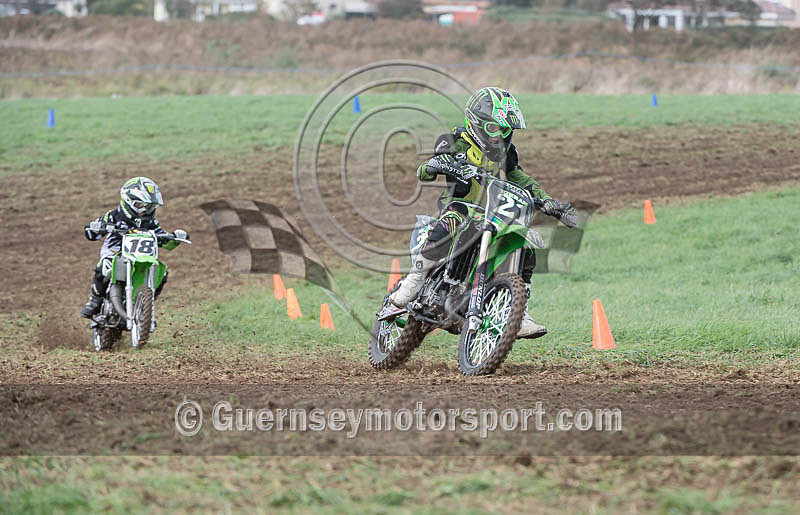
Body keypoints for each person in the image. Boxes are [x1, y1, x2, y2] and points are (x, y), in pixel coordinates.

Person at [389, 87, 576, 339]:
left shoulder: (507, 154)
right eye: (493, 128)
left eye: (505, 130)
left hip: (493, 211)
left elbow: (518, 177)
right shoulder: (455, 140)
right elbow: (426, 169)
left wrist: (547, 201)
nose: (499, 136)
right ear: (477, 122)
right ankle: (416, 278)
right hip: (460, 205)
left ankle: (518, 315)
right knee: (451, 221)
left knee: (525, 248)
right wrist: (441, 163)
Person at [79, 177, 188, 318]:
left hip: (141, 256)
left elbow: (162, 238)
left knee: (162, 272)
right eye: (141, 205)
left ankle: (145, 305)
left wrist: (174, 237)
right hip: (115, 251)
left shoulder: (151, 222)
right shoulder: (114, 216)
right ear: (128, 202)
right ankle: (94, 301)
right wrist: (96, 228)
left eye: (149, 206)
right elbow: (91, 233)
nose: (145, 210)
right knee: (105, 266)